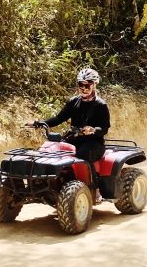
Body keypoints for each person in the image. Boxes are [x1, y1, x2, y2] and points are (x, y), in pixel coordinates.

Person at [29, 67, 110, 202]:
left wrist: (93, 130)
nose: (84, 88)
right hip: (74, 138)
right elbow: (58, 118)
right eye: (80, 85)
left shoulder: (101, 105)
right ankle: (48, 182)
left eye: (87, 85)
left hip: (94, 142)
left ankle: (94, 191)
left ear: (94, 85)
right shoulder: (74, 102)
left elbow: (105, 128)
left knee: (82, 155)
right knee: (51, 149)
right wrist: (39, 123)